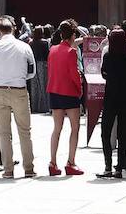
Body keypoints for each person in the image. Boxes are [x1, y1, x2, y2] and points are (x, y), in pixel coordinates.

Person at [0, 16, 37, 178]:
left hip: (0, 91)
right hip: (19, 91)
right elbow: (32, 71)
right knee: (25, 131)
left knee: (4, 132)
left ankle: (8, 169)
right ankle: (29, 168)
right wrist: (20, 77)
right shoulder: (24, 47)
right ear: (13, 29)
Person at [46, 19, 85, 176]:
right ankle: (71, 162)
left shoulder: (53, 49)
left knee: (57, 129)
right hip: (69, 92)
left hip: (54, 91)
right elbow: (74, 74)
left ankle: (53, 162)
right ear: (73, 35)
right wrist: (80, 88)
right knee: (75, 128)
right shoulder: (72, 52)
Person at [98, 28, 126, 178]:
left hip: (111, 98)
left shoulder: (108, 56)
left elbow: (104, 73)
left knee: (106, 132)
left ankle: (108, 165)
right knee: (123, 134)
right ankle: (120, 167)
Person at [29, 25, 51, 114]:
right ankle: (44, 107)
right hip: (43, 64)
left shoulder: (31, 43)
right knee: (43, 85)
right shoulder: (45, 42)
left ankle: (34, 107)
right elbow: (47, 54)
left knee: (34, 86)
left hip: (34, 64)